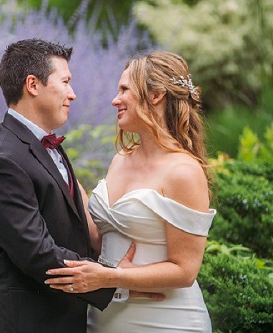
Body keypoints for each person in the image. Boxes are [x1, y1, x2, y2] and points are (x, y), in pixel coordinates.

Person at [0, 38, 139, 333]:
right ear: (33, 85)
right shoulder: (1, 161)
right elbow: (37, 253)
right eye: (65, 82)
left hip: (61, 318)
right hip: (25, 323)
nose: (72, 94)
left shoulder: (47, 144)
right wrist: (112, 278)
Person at [45, 51, 216, 332]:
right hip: (104, 317)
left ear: (156, 95)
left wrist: (112, 277)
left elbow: (185, 271)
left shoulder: (183, 172)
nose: (115, 100)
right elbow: (103, 237)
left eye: (124, 89)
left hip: (165, 319)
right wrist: (57, 174)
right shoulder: (121, 159)